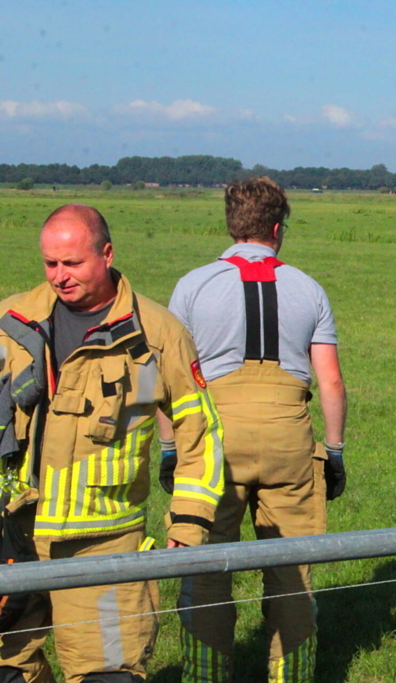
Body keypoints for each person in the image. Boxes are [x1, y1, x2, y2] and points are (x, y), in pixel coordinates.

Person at [0, 204, 224, 683]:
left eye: (72, 263)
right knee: (6, 670)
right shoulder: (12, 321)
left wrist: (189, 518)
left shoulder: (156, 334)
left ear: (107, 253)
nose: (59, 276)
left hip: (101, 547)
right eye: (50, 264)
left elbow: (200, 432)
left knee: (107, 675)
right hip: (13, 534)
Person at [157, 176, 347, 683]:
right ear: (277, 229)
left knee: (205, 567)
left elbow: (170, 380)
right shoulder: (309, 288)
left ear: (231, 224)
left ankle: (205, 676)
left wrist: (171, 449)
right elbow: (329, 379)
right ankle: (291, 676)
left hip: (214, 442)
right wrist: (334, 451)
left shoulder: (193, 285)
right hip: (288, 437)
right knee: (292, 572)